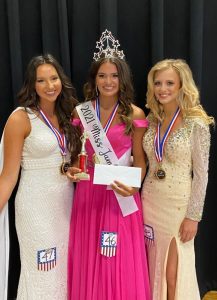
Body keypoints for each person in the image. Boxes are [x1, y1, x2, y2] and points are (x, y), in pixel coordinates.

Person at [67, 29, 151, 300]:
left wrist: (133, 188)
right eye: (102, 75)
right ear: (94, 78)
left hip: (120, 194)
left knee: (117, 259)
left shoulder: (134, 114)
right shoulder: (81, 112)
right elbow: (72, 157)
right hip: (89, 194)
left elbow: (140, 162)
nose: (108, 81)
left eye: (114, 75)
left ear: (122, 78)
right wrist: (72, 171)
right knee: (91, 256)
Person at [0, 53, 81, 299]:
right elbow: (8, 176)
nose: (49, 86)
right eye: (41, 80)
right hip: (35, 209)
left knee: (62, 272)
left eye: (54, 78)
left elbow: (64, 161)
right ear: (32, 85)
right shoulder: (21, 118)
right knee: (41, 269)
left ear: (61, 80)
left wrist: (70, 170)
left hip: (65, 204)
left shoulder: (68, 115)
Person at [141, 58, 215, 300]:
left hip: (178, 207)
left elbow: (202, 175)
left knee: (172, 274)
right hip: (150, 202)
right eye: (158, 83)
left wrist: (193, 216)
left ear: (182, 85)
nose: (163, 89)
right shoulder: (151, 120)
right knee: (152, 269)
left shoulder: (197, 123)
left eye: (169, 83)